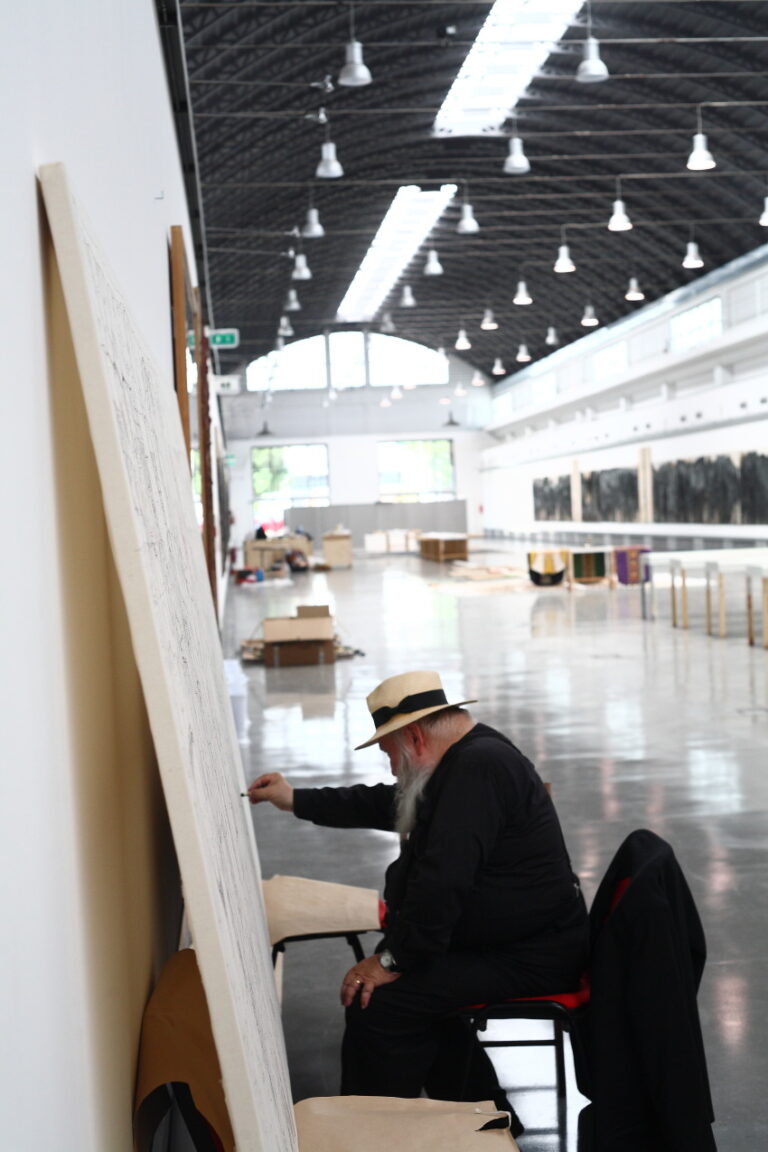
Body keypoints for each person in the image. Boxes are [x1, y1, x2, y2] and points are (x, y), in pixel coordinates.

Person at [247, 671, 587, 1131]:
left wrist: (390, 960)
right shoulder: (463, 759)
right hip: (512, 941)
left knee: (380, 1002)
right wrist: (295, 799)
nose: (391, 766)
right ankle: (477, 1114)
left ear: (414, 737)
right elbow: (389, 803)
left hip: (534, 953)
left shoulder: (478, 769)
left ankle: (370, 1135)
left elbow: (442, 885)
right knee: (414, 996)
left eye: (390, 752)